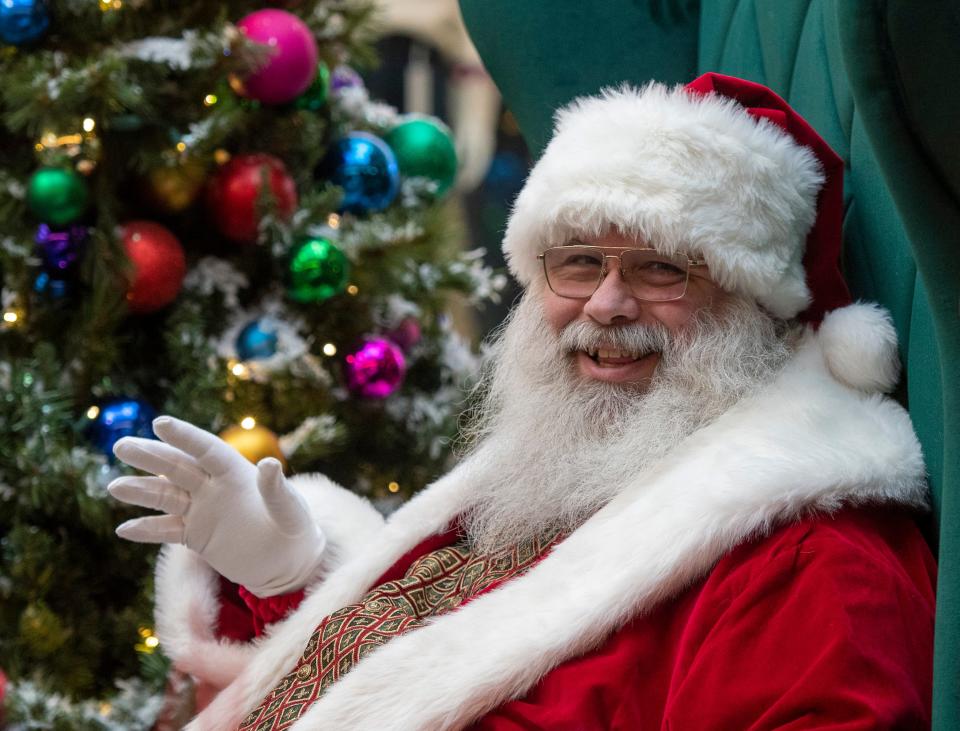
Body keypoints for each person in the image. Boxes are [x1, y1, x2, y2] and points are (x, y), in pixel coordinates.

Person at [110, 73, 936, 730]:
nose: (607, 305)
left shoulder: (808, 554)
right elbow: (410, 670)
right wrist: (292, 574)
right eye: (577, 262)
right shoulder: (567, 469)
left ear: (752, 301)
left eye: (661, 269)